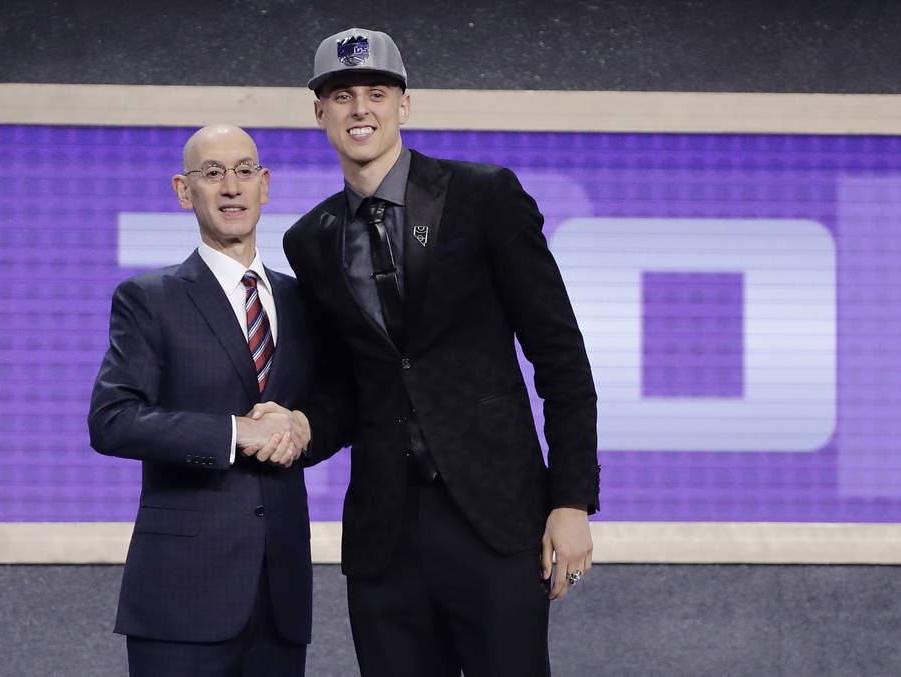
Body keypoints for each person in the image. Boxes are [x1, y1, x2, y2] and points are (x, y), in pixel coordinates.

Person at [278, 27, 600, 677]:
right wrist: (301, 424)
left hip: (495, 520)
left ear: (404, 105)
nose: (359, 108)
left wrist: (570, 500)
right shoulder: (308, 240)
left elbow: (559, 354)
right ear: (319, 113)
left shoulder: (484, 196)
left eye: (376, 92)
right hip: (383, 535)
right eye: (341, 96)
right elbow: (349, 383)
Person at [88, 124, 318, 677]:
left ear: (265, 185)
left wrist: (307, 424)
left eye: (244, 171)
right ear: (183, 191)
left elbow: (337, 405)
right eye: (212, 173)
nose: (231, 187)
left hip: (280, 594)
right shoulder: (148, 298)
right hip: (180, 598)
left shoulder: (305, 301)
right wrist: (236, 433)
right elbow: (112, 421)